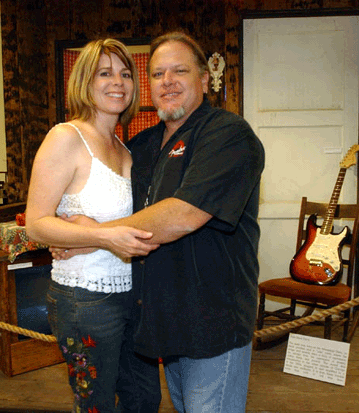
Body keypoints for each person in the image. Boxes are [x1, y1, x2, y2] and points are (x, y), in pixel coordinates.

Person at [56, 32, 265, 412]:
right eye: (156, 74)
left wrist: (90, 237)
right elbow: (116, 206)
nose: (167, 81)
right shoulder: (141, 146)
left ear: (204, 79)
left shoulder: (229, 134)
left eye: (179, 71)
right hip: (163, 322)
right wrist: (70, 226)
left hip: (212, 322)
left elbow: (183, 214)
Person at [25, 38, 160, 413]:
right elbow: (36, 225)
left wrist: (92, 235)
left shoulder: (125, 148)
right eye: (105, 73)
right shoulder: (66, 138)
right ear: (85, 81)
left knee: (144, 398)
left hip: (131, 295)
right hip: (84, 298)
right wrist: (100, 236)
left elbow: (134, 223)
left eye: (125, 73)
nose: (117, 82)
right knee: (96, 405)